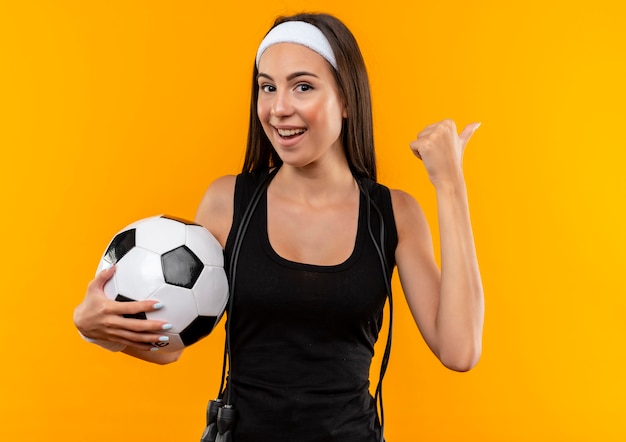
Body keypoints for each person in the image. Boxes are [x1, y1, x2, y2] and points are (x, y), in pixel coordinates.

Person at [73, 12, 484, 442]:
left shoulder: (393, 213)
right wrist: (98, 329)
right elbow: (171, 343)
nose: (279, 107)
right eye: (267, 87)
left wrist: (449, 182)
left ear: (346, 100)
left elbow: (459, 350)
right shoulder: (228, 202)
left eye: (302, 86)